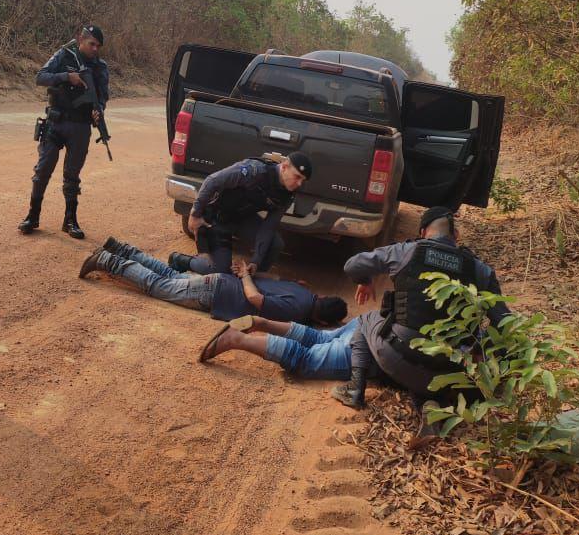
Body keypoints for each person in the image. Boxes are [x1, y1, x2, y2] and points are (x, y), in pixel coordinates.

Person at [333, 206, 510, 413]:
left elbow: (352, 266)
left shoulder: (406, 251)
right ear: (456, 236)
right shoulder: (479, 270)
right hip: (450, 372)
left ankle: (355, 389)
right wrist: (497, 373)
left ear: (423, 232)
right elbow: (503, 324)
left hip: (397, 359)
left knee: (366, 320)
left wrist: (364, 280)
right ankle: (430, 402)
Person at [78, 236, 347, 327]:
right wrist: (244, 278)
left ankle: (121, 249)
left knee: (170, 275)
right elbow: (255, 299)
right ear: (322, 321)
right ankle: (108, 260)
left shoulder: (302, 289)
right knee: (157, 286)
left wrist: (246, 273)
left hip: (219, 283)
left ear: (322, 298)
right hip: (218, 293)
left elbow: (273, 280)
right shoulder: (297, 312)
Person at [18, 23, 109, 239]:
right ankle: (33, 215)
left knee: (72, 175)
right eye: (91, 44)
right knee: (43, 170)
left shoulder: (100, 67)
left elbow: (103, 96)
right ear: (81, 41)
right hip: (55, 122)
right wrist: (66, 77)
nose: (95, 49)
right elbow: (41, 77)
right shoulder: (63, 55)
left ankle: (70, 220)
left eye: (98, 46)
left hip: (80, 126)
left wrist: (99, 111)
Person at [171, 152, 312, 276]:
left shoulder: (287, 194)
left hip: (242, 219)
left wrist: (256, 261)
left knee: (275, 244)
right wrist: (195, 214)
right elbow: (212, 181)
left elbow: (269, 226)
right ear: (284, 166)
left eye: (303, 180)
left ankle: (252, 277)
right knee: (218, 270)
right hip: (218, 218)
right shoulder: (255, 171)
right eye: (297, 176)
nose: (299, 183)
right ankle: (180, 260)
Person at [199, 314, 358, 378]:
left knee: (321, 337)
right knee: (306, 359)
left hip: (369, 321)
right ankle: (236, 339)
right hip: (374, 344)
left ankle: (263, 323)